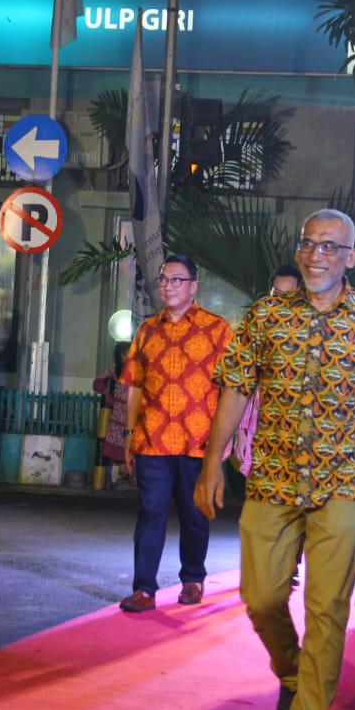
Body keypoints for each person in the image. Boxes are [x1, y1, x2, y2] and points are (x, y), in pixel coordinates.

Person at [195, 210, 355, 710]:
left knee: (326, 606)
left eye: (330, 247)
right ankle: (293, 672)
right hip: (272, 475)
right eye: (309, 244)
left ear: (350, 257)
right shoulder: (265, 316)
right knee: (260, 597)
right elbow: (236, 389)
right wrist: (212, 463)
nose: (317, 255)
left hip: (345, 480)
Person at [118, 254, 232, 614]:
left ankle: (193, 579)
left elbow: (232, 388)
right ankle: (143, 589)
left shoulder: (217, 329)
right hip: (152, 439)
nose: (168, 286)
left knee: (195, 514)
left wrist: (227, 437)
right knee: (150, 513)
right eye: (164, 279)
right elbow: (134, 385)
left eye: (177, 280)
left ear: (193, 286)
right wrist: (129, 433)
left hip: (199, 441)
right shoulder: (146, 330)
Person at [232, 265, 302, 477]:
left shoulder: (312, 336)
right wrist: (241, 432)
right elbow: (243, 386)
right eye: (277, 294)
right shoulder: (256, 333)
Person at [92, 340, 131, 490]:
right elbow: (96, 383)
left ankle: (130, 478)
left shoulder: (137, 371)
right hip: (117, 418)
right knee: (113, 451)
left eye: (130, 353)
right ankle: (112, 478)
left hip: (133, 418)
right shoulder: (113, 371)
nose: (127, 356)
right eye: (124, 354)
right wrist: (106, 393)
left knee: (132, 449)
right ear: (118, 356)